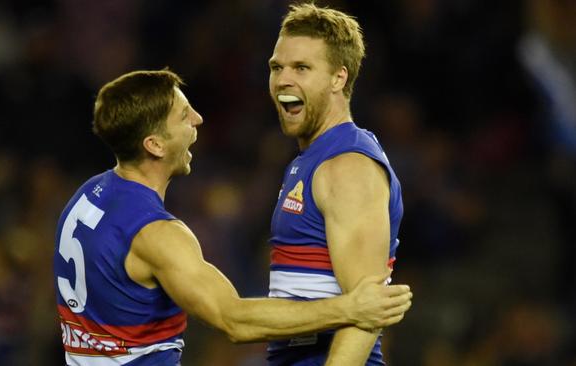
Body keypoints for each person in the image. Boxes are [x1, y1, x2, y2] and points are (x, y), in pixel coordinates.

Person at [53, 69, 413, 365]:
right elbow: (234, 320)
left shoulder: (86, 196)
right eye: (183, 116)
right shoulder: (155, 235)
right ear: (155, 145)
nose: (198, 119)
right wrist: (350, 307)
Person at [266, 4, 406, 365]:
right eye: (277, 67)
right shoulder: (311, 160)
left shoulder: (348, 166)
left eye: (302, 68)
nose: (283, 79)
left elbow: (365, 315)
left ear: (338, 79)